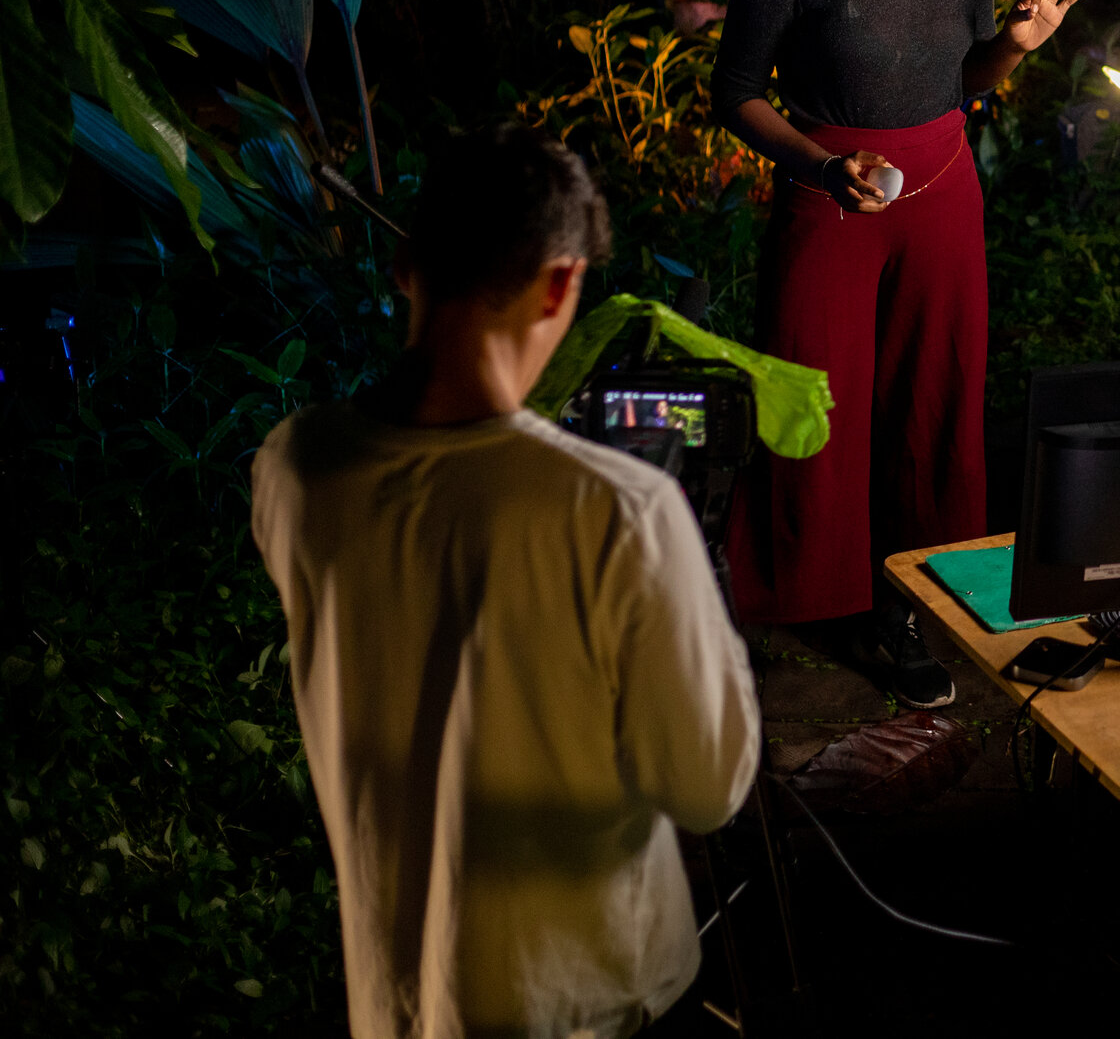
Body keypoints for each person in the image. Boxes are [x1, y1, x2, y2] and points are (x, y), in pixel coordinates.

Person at [252, 127, 759, 1039]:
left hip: (401, 999)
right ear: (561, 283)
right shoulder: (620, 510)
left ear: (407, 265)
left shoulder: (292, 468)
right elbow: (706, 782)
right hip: (585, 1002)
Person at [712, 0, 1082, 708]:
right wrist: (826, 169)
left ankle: (914, 595)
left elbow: (957, 80)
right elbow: (735, 93)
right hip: (834, 194)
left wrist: (1016, 43)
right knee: (816, 402)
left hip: (943, 190)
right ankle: (815, 593)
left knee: (937, 398)